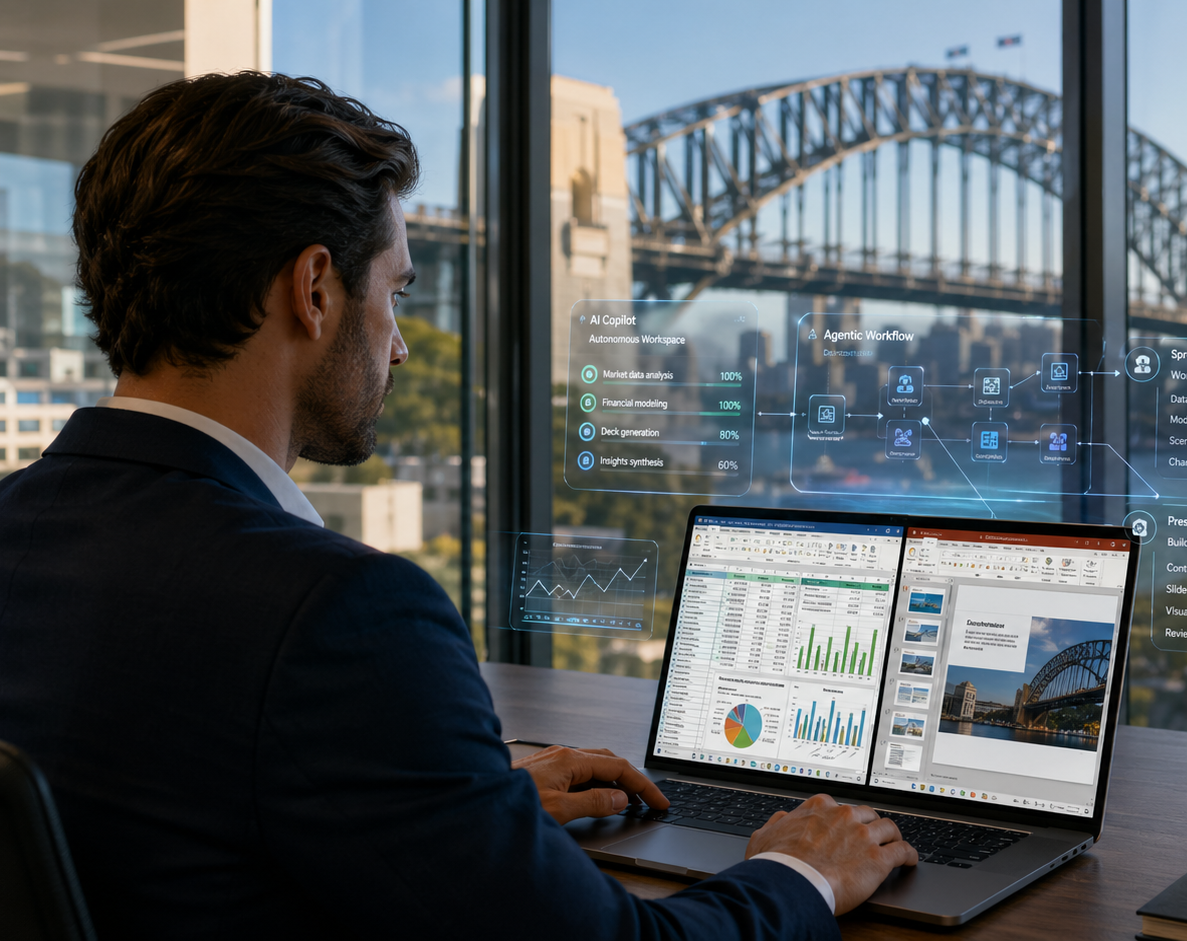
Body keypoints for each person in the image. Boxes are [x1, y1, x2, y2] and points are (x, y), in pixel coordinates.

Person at [0, 72, 914, 940]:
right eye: (395, 292)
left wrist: (453, 803)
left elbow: (177, 792)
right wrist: (803, 871)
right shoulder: (340, 617)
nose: (399, 346)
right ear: (314, 288)